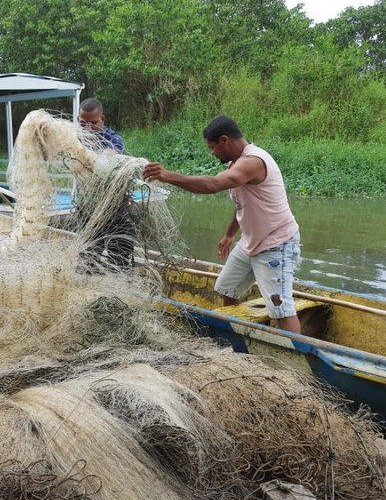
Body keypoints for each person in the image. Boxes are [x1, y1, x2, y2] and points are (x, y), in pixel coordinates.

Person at [142, 115, 302, 333]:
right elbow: (242, 204)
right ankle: (235, 335)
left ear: (225, 140)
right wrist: (229, 235)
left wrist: (167, 176)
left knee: (281, 308)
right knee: (227, 287)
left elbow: (214, 184)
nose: (212, 152)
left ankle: (295, 358)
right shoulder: (235, 163)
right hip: (251, 241)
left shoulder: (253, 162)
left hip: (276, 242)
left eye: (212, 147)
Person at [77, 98, 135, 271]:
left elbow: (109, 156)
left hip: (115, 210)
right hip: (87, 209)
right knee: (87, 260)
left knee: (120, 260)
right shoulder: (75, 138)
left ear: (103, 119)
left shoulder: (113, 139)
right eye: (82, 123)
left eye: (93, 123)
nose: (87, 128)